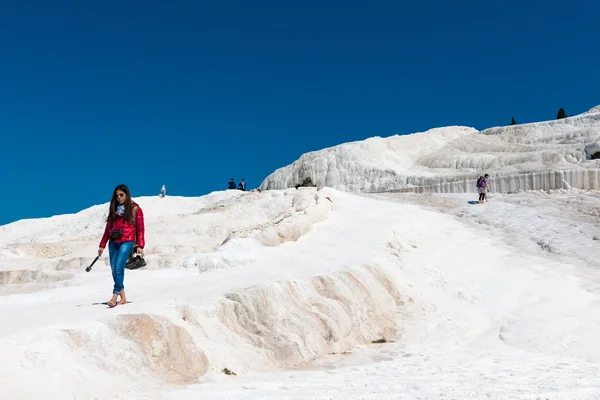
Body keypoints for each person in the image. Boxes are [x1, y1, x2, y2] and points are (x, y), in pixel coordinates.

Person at [98, 184, 145, 307]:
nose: (119, 198)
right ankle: (123, 298)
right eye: (117, 195)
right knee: (114, 271)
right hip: (113, 242)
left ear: (127, 194)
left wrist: (140, 245)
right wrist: (102, 245)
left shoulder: (135, 209)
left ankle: (114, 296)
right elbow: (108, 228)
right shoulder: (114, 209)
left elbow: (140, 229)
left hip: (127, 241)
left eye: (121, 195)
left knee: (119, 268)